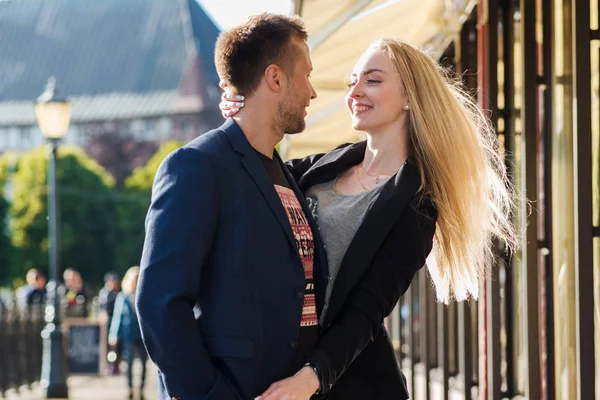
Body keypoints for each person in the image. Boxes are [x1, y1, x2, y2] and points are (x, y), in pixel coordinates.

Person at [220, 37, 517, 399]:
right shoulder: (324, 166)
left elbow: (366, 312)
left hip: (344, 385)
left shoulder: (417, 206)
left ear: (410, 97)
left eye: (372, 80)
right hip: (276, 366)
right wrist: (243, 115)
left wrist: (311, 378)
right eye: (352, 82)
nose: (355, 91)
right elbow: (254, 177)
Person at [136, 13, 328, 400]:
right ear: (275, 78)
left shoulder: (283, 173)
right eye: (306, 74)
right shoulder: (195, 166)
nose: (313, 92)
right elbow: (160, 303)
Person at [109, 267, 146, 399]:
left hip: (142, 335)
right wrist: (113, 334)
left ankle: (141, 388)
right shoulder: (123, 296)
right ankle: (130, 387)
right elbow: (117, 316)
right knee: (129, 363)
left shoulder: (144, 294)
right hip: (128, 334)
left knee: (143, 363)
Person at [99, 271, 122, 375]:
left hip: (116, 322)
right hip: (106, 323)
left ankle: (115, 365)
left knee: (117, 347)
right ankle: (109, 365)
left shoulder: (119, 294)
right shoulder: (104, 293)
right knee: (107, 346)